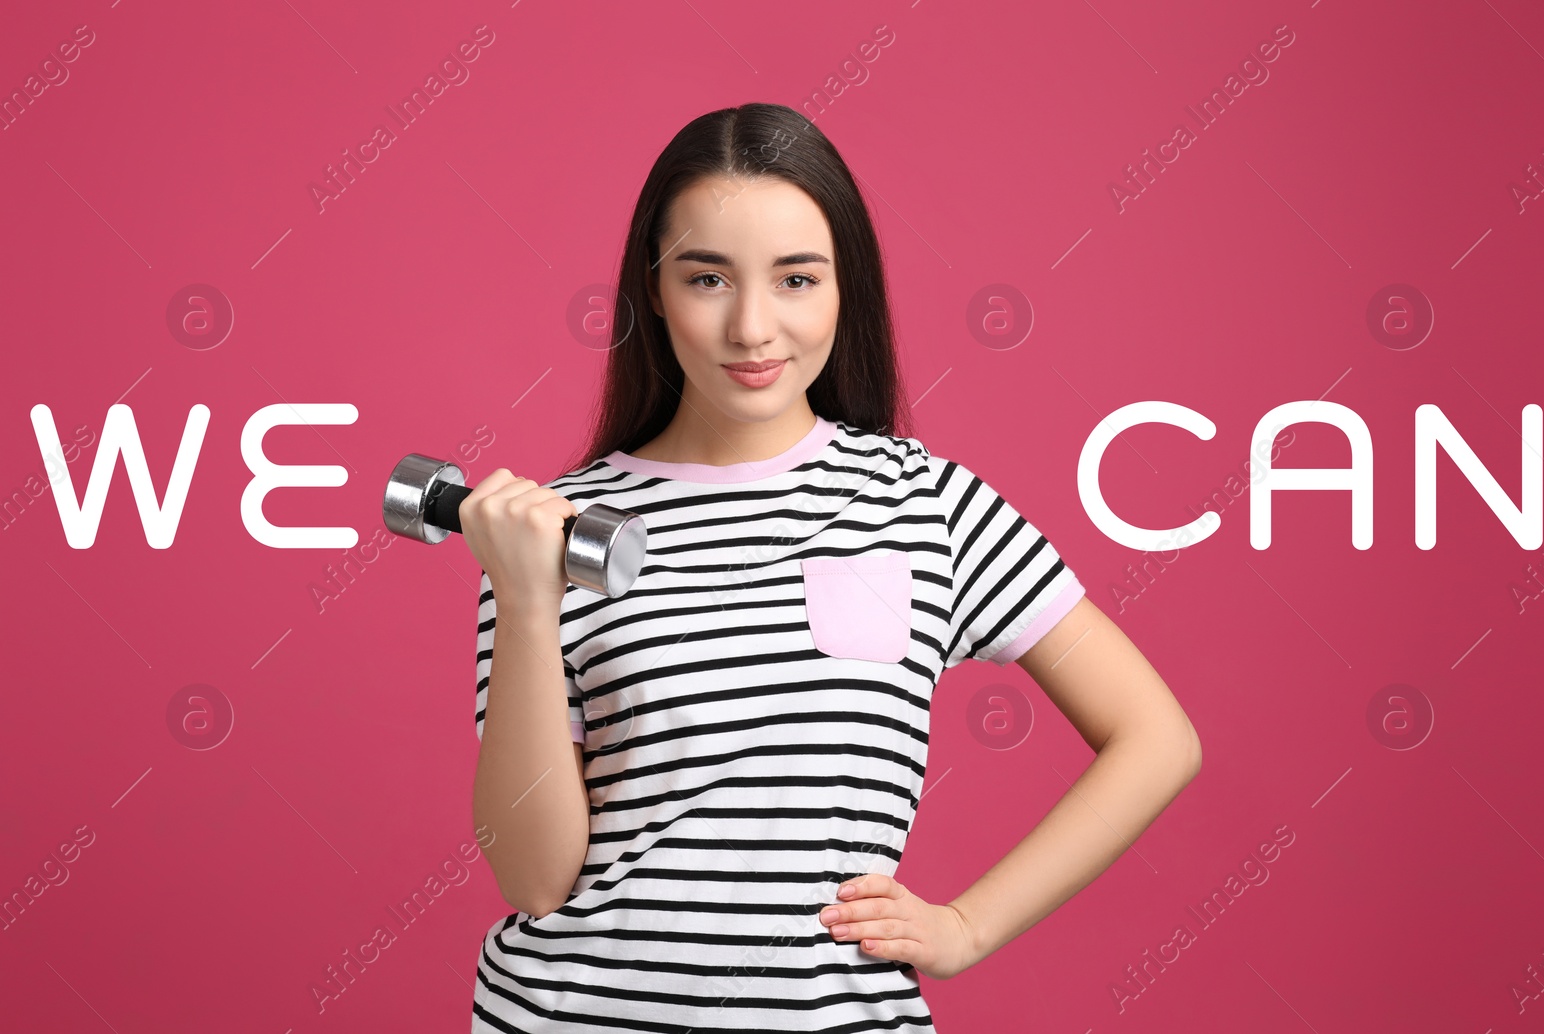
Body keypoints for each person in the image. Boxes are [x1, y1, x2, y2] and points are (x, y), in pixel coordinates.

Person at [457, 102, 1200, 1033]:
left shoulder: (927, 504)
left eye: (797, 278)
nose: (753, 326)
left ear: (847, 288)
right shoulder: (549, 533)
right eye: (708, 278)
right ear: (653, 289)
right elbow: (533, 878)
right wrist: (527, 601)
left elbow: (1157, 739)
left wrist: (966, 926)